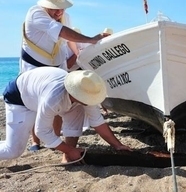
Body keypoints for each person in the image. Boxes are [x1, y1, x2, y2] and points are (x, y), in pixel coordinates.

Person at [21, 0, 109, 151]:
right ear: (46, 5)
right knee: (36, 106)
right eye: (53, 8)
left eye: (60, 8)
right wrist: (91, 39)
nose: (58, 12)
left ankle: (53, 140)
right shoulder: (35, 13)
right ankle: (35, 142)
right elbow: (61, 32)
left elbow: (69, 41)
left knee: (60, 102)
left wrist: (80, 57)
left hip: (57, 66)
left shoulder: (65, 16)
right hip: (35, 66)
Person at [1, 67, 131, 162]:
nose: (90, 102)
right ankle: (70, 153)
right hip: (19, 98)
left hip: (39, 92)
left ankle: (67, 158)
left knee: (78, 110)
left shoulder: (86, 90)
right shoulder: (53, 99)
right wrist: (69, 149)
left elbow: (97, 122)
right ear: (76, 94)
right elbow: (42, 132)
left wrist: (117, 145)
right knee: (13, 150)